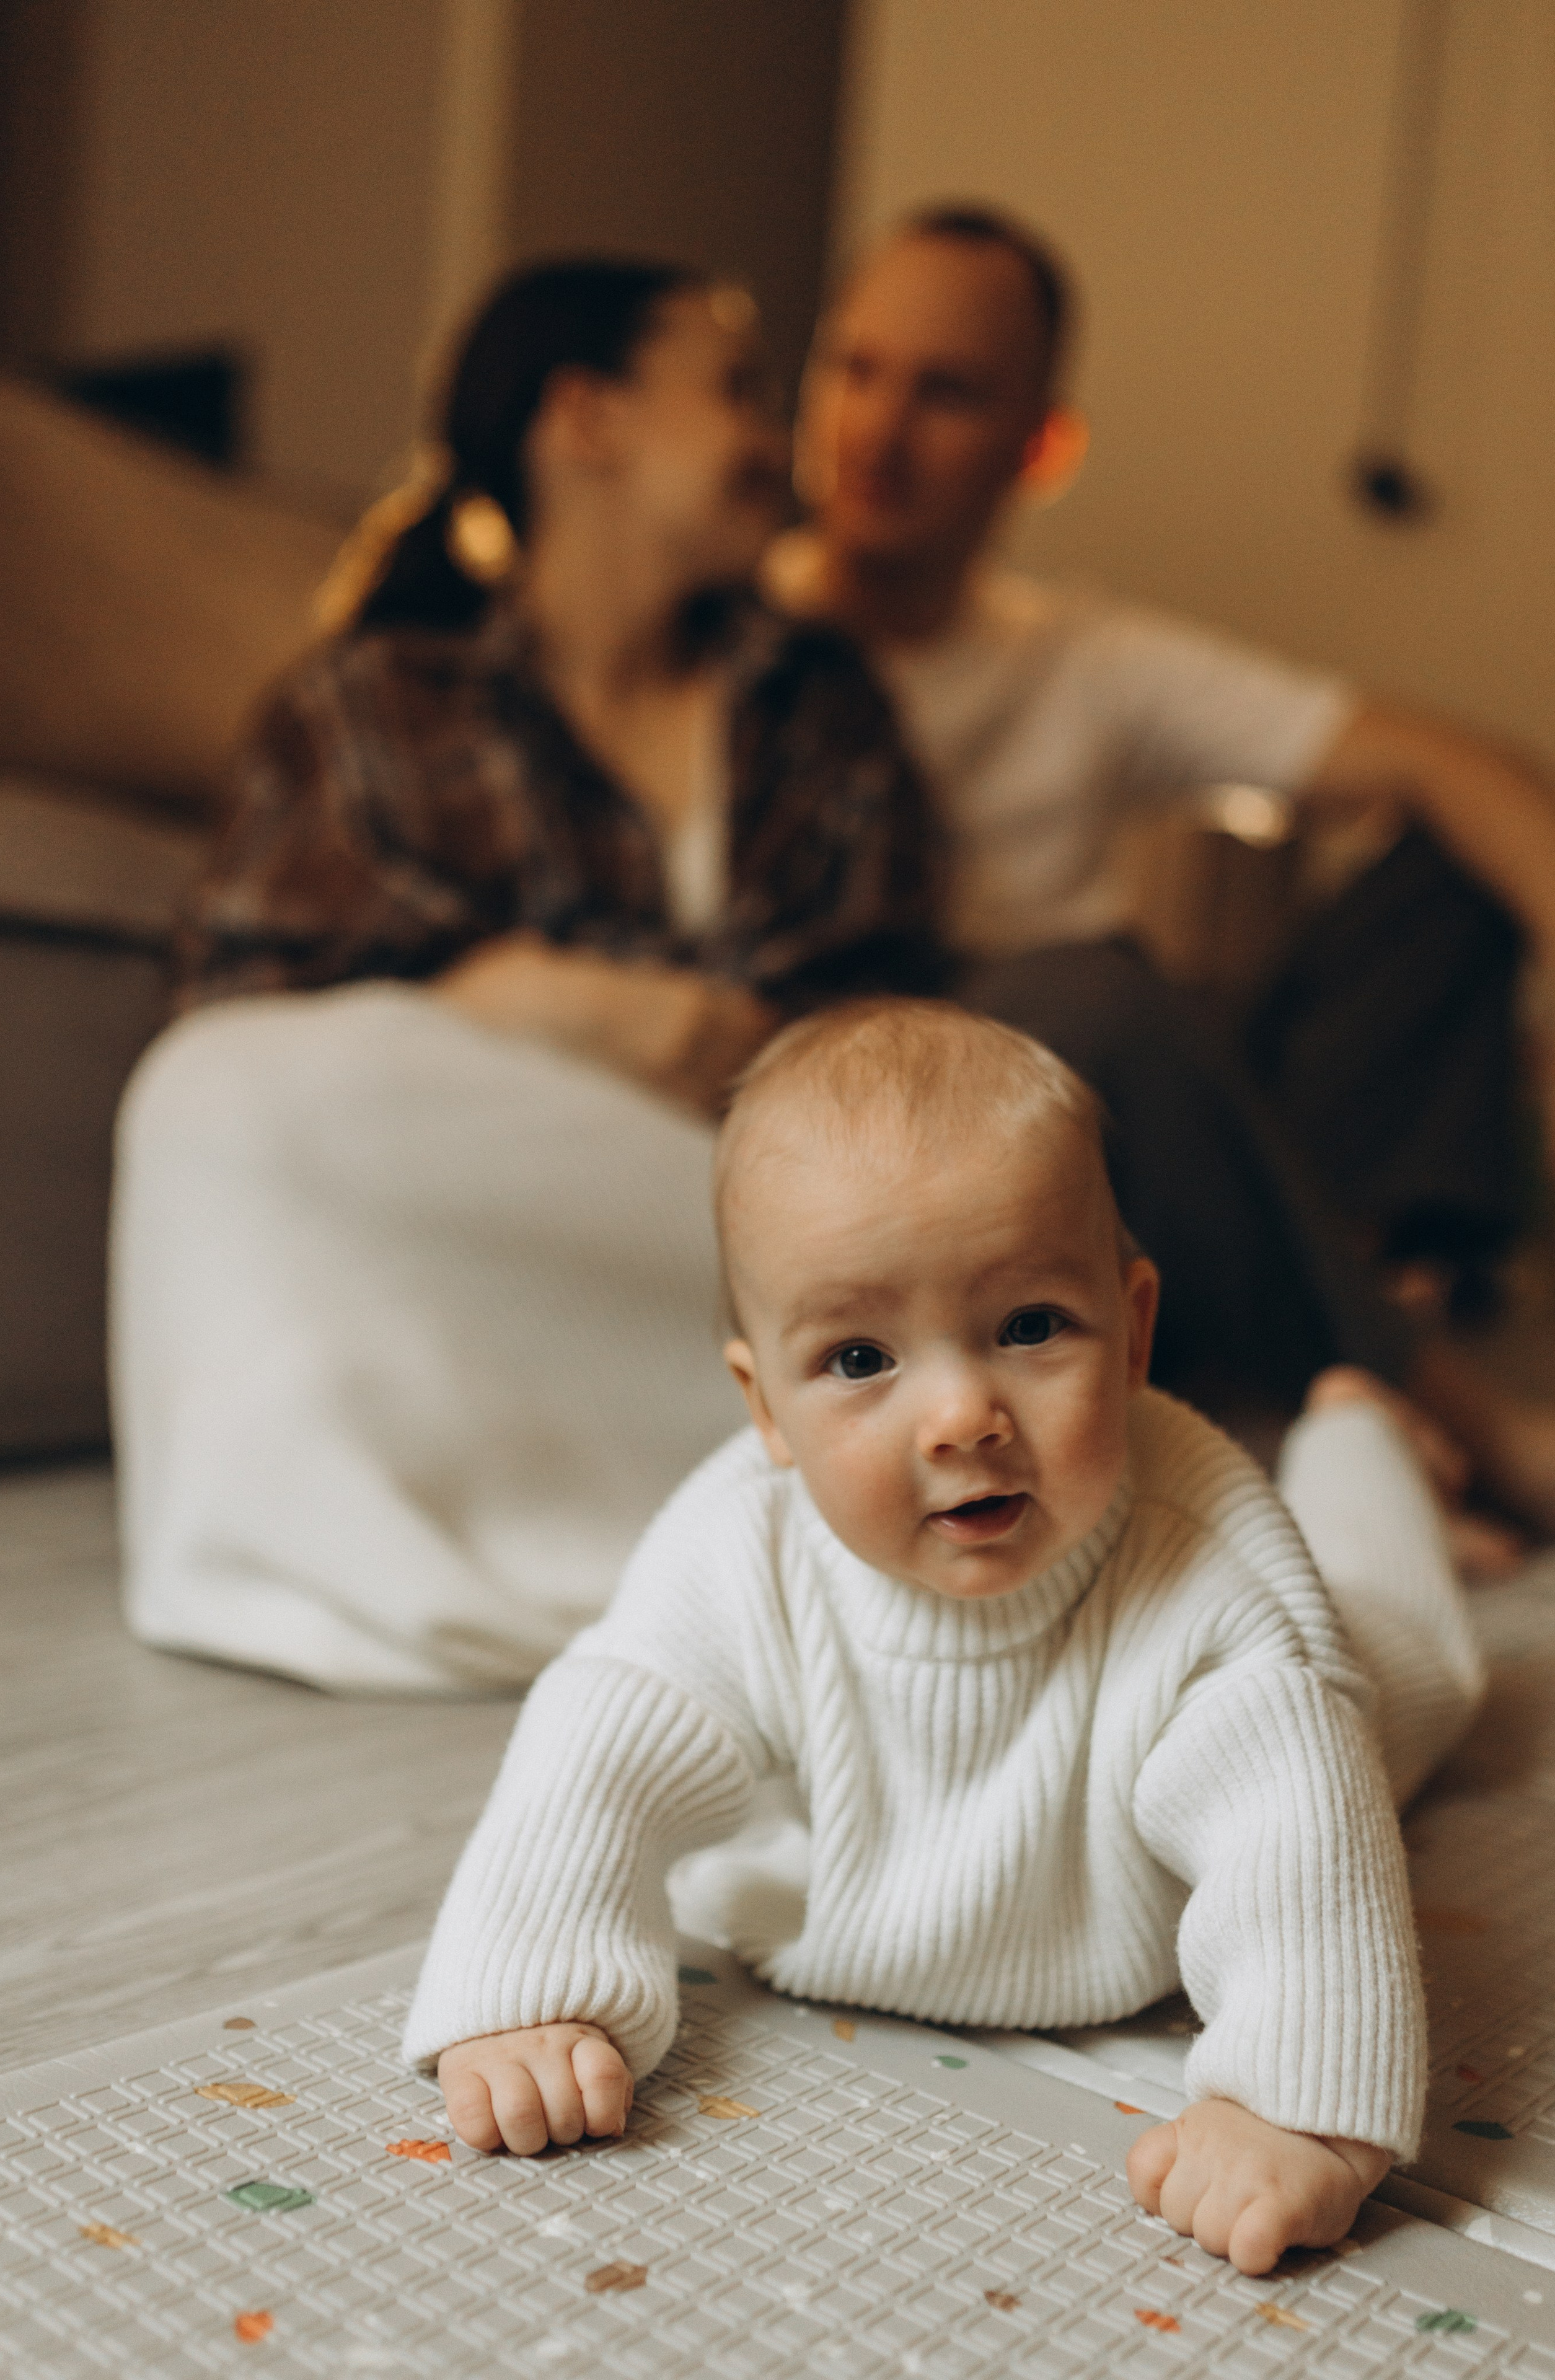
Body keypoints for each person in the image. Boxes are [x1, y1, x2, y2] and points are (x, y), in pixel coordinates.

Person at [407, 1001, 1482, 2276]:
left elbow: (1295, 1831)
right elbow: (600, 1741)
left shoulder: (1214, 1591)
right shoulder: (737, 1556)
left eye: (1027, 1327)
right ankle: (1346, 1420)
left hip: (1330, 1683)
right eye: (860, 1356)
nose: (961, 1415)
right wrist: (531, 1991)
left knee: (1412, 1640)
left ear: (1132, 1332)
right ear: (765, 1407)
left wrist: (1293, 2106)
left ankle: (1358, 1431)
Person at [110, 259, 943, 1693]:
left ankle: (758, 1511)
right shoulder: (377, 704)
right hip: (474, 1186)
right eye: (738, 390)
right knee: (206, 1096)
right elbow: (235, 996)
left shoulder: (818, 704)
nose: (777, 444)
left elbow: (899, 1030)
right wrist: (526, 997)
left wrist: (717, 1045)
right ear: (588, 418)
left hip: (746, 1202)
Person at [767, 204, 1555, 1528]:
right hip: (985, 1111)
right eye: (853, 370)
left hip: (1155, 1113)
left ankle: (1354, 1278)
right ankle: (1454, 1409)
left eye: (945, 393)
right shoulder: (735, 649)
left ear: (1041, 445)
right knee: (1096, 1000)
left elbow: (1447, 764)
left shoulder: (1077, 656)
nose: (878, 433)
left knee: (1443, 868)